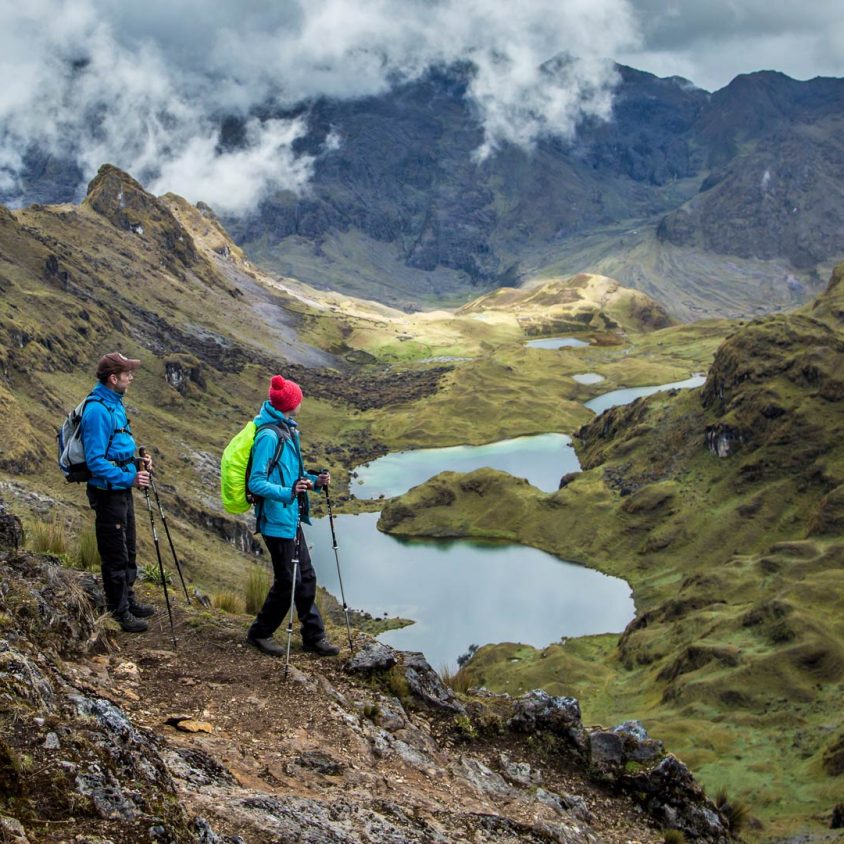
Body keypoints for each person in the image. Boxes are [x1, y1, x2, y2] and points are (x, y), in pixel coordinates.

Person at [246, 375, 340, 657]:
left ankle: (314, 636)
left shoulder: (288, 431)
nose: (301, 402)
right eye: (299, 398)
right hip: (275, 520)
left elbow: (293, 477)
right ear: (291, 403)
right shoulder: (269, 435)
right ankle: (260, 633)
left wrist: (314, 481)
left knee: (306, 577)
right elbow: (256, 482)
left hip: (290, 518)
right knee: (289, 581)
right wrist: (288, 492)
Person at [81, 352, 154, 633]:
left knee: (129, 547)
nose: (131, 377)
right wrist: (130, 477)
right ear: (114, 378)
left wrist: (138, 462)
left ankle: (128, 598)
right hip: (108, 492)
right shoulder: (97, 410)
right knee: (115, 553)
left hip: (122, 487)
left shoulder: (115, 404)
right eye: (127, 374)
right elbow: (95, 461)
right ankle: (119, 610)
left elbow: (117, 447)